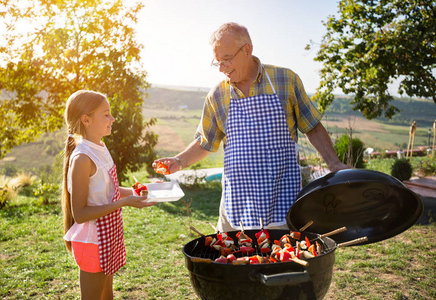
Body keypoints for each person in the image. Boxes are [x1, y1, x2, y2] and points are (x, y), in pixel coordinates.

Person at [153, 22, 348, 233]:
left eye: (226, 59)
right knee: (233, 260)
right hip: (236, 204)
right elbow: (205, 143)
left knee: (282, 261)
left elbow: (312, 126)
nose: (221, 67)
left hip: (282, 199)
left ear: (247, 50)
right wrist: (178, 161)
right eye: (217, 62)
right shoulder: (217, 95)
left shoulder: (285, 80)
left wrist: (335, 164)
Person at [62, 90, 156, 299]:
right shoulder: (82, 158)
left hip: (107, 235)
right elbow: (81, 214)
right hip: (92, 240)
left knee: (108, 295)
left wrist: (142, 192)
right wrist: (126, 202)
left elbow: (109, 191)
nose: (112, 119)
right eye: (106, 114)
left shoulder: (100, 147)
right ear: (86, 120)